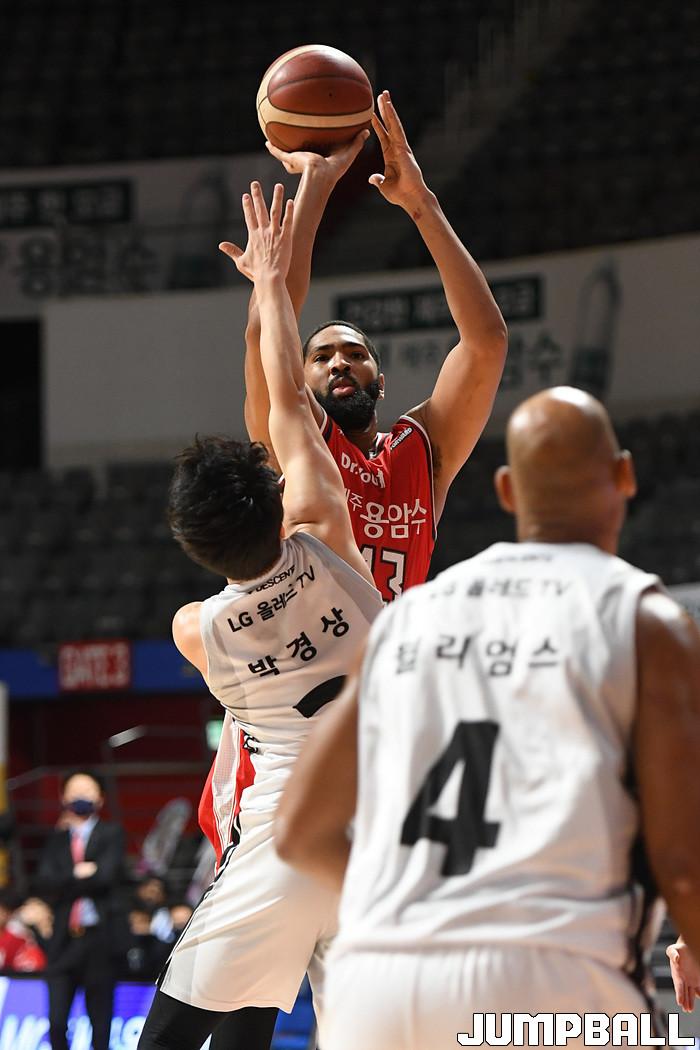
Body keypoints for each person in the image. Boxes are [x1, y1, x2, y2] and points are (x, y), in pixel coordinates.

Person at [209, 87, 508, 1050]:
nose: (337, 361)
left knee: (374, 990)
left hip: (389, 725)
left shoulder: (423, 451)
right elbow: (272, 318)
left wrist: (421, 204)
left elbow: (486, 342)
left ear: (380, 379)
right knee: (248, 996)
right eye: (323, 355)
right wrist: (313, 187)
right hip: (287, 732)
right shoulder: (293, 441)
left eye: (356, 354)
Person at [276, 386, 700, 1050]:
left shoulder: (409, 617)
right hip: (548, 979)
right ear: (625, 475)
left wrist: (412, 914)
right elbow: (680, 860)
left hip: (376, 985)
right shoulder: (645, 619)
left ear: (506, 490)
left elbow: (299, 832)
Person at [136, 182, 383, 1050]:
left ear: (197, 546)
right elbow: (285, 400)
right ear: (280, 499)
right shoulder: (327, 534)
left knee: (168, 1039)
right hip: (384, 833)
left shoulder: (196, 628)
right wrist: (271, 284)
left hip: (285, 837)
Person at [37, 770, 125, 1050]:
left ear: (100, 798)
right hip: (63, 941)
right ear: (63, 797)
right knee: (56, 1022)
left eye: (88, 790)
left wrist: (67, 879)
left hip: (99, 940)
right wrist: (80, 872)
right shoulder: (56, 840)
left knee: (100, 1022)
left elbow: (106, 877)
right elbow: (45, 881)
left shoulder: (112, 833)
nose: (81, 796)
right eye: (75, 790)